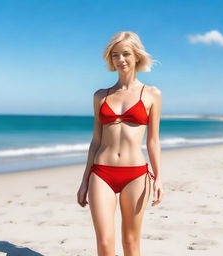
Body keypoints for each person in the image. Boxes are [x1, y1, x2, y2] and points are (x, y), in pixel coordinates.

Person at [77, 31, 163, 256]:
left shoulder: (152, 94)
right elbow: (96, 140)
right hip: (101, 172)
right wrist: (84, 180)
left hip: (136, 174)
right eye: (115, 55)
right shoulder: (101, 96)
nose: (120, 59)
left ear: (136, 56)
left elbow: (153, 140)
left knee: (130, 242)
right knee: (104, 244)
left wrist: (159, 176)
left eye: (126, 54)